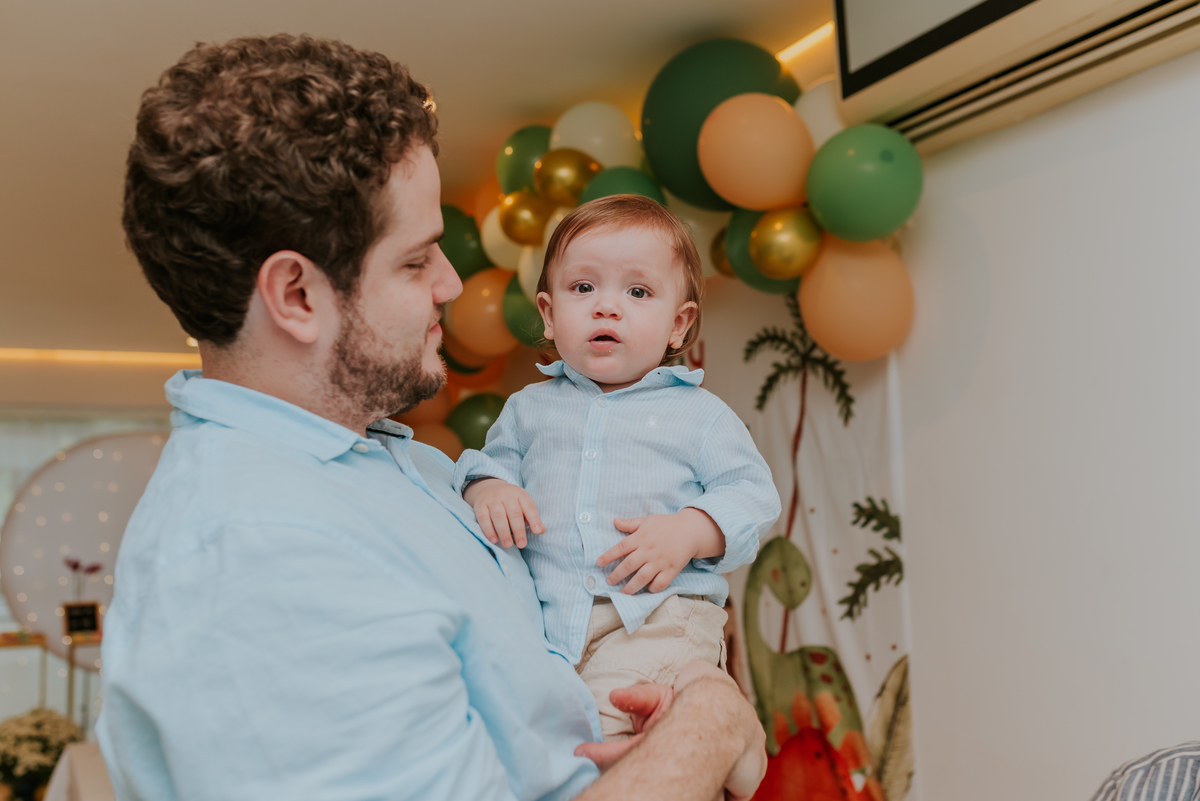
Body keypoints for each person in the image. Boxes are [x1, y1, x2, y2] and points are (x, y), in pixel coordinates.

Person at [96, 33, 766, 801]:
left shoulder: (401, 464)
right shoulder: (257, 555)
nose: (453, 282)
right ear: (297, 295)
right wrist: (710, 723)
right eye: (416, 260)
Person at [455, 196, 781, 740]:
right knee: (544, 741)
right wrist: (486, 486)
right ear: (549, 313)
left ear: (679, 325)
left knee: (616, 737)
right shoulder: (528, 410)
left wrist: (690, 530)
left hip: (658, 620)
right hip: (551, 623)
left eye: (637, 291)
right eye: (583, 288)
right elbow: (490, 466)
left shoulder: (699, 416)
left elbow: (752, 494)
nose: (607, 307)